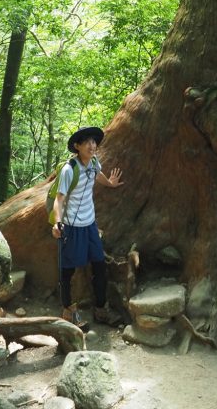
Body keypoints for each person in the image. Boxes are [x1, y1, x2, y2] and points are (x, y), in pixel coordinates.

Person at [49, 125, 124, 328]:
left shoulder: (93, 162)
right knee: (68, 271)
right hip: (72, 227)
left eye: (94, 142)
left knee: (100, 266)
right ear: (77, 146)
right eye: (87, 142)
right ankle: (68, 312)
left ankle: (100, 309)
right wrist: (57, 222)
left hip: (90, 224)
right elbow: (59, 199)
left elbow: (97, 175)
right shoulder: (68, 170)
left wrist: (109, 183)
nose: (92, 145)